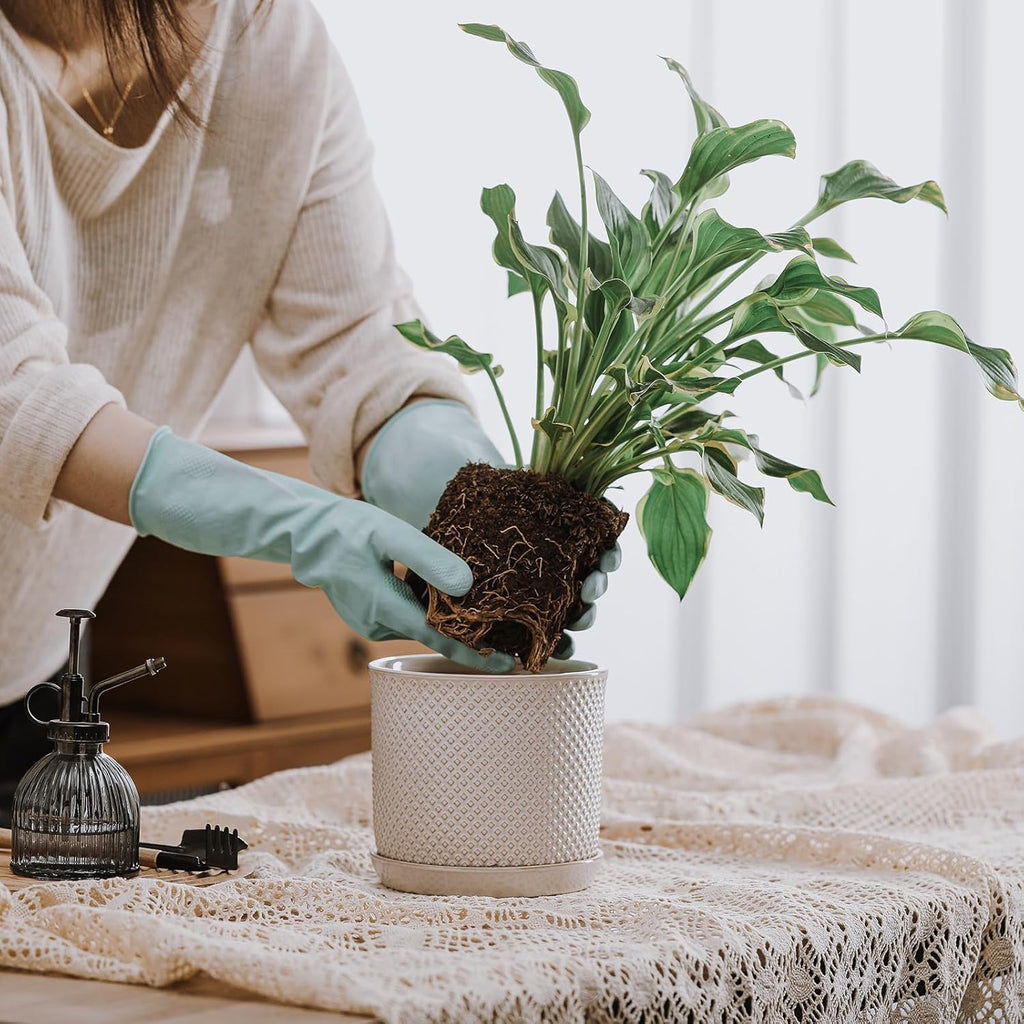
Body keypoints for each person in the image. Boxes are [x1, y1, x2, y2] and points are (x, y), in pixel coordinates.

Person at [0, 0, 616, 818]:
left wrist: (449, 473)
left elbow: (355, 333)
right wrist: (302, 524)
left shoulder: (271, 41)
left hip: (29, 675)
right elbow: (16, 393)